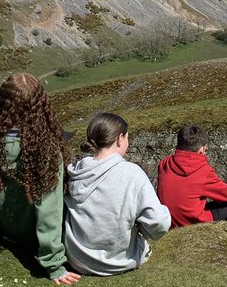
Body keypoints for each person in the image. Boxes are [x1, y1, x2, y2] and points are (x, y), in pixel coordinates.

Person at [0, 73, 81, 286]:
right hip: (35, 236)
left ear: (1, 103)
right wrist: (54, 265)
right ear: (41, 105)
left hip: (5, 230)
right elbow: (48, 209)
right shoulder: (46, 149)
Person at [64, 112, 171, 275]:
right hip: (117, 262)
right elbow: (159, 223)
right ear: (120, 139)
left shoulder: (75, 171)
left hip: (77, 260)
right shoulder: (131, 173)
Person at [156, 124, 227, 228]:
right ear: (201, 150)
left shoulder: (164, 163)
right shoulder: (203, 170)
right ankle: (209, 229)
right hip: (192, 223)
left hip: (169, 220)